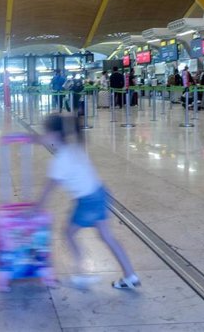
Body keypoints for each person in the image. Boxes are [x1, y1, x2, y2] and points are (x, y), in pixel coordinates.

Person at [34, 114, 140, 290]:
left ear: (53, 135)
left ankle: (82, 273)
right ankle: (130, 275)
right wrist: (31, 139)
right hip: (100, 193)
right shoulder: (74, 147)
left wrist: (34, 209)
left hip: (88, 202)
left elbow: (48, 190)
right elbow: (45, 140)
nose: (42, 136)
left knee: (68, 233)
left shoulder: (60, 160)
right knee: (106, 236)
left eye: (44, 133)